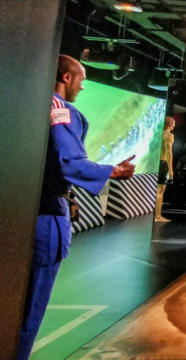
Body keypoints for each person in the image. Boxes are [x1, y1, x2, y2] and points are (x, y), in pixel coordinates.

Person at [16, 55, 136, 360]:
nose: (82, 87)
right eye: (81, 79)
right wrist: (112, 171)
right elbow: (69, 162)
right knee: (29, 311)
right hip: (45, 218)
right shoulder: (60, 109)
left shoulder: (21, 100)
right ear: (67, 77)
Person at [154, 116, 175, 222]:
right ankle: (157, 216)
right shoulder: (169, 135)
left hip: (155, 163)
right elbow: (169, 153)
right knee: (160, 190)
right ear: (170, 123)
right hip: (163, 164)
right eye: (173, 123)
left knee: (156, 190)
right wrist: (171, 170)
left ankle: (156, 215)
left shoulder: (157, 134)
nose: (175, 125)